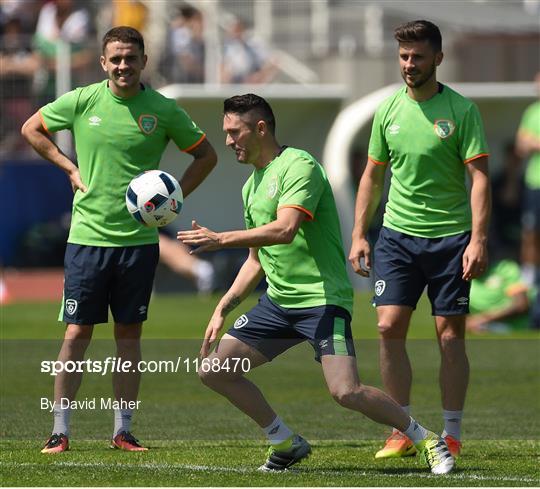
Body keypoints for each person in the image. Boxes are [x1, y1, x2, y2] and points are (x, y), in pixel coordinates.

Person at [178, 93, 454, 475]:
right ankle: (285, 441)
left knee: (346, 391)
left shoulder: (300, 165)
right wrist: (222, 308)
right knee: (214, 369)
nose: (228, 141)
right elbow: (256, 260)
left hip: (322, 302)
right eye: (225, 133)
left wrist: (220, 238)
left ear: (260, 128)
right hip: (278, 305)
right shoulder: (250, 187)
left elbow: (285, 230)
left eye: (233, 132)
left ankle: (424, 438)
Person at [21, 26, 217, 454]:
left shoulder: (163, 110)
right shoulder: (83, 100)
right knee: (77, 334)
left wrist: (176, 195)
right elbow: (32, 129)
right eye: (116, 59)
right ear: (103, 63)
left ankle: (123, 430)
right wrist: (68, 168)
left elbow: (206, 155)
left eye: (131, 58)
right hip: (88, 239)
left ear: (143, 61)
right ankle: (59, 430)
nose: (123, 65)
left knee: (129, 336)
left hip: (139, 244)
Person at [349, 20, 490, 460]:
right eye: (404, 57)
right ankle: (403, 429)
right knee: (388, 326)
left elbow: (479, 178)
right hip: (396, 237)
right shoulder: (388, 111)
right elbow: (372, 176)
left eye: (418, 57)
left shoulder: (462, 111)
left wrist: (478, 239)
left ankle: (451, 432)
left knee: (449, 337)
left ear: (438, 60)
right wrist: (358, 234)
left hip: (450, 239)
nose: (410, 65)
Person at [515, 72, 540, 327]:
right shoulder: (532, 111)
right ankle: (530, 275)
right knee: (531, 231)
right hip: (535, 184)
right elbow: (522, 145)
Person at [467, 259, 535, 333]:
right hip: (474, 330)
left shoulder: (506, 268)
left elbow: (521, 305)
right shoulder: (459, 277)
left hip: (509, 329)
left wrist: (483, 319)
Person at [220, 18, 276, 85]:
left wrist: (259, 76)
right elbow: (223, 70)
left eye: (238, 29)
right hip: (235, 84)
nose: (235, 33)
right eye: (233, 30)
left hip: (254, 83)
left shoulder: (255, 44)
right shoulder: (228, 47)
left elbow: (272, 62)